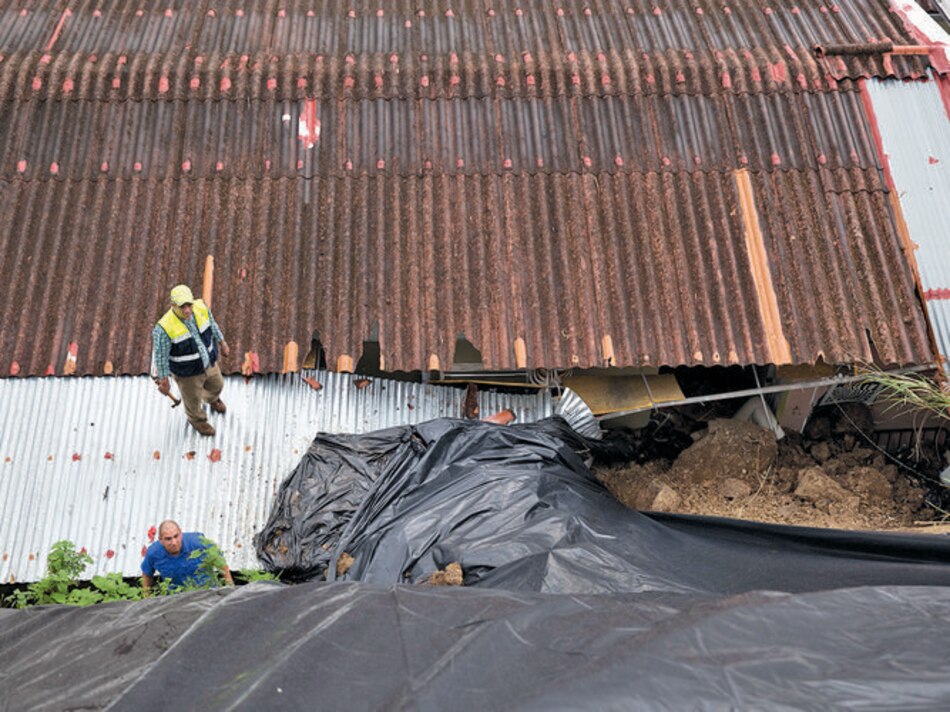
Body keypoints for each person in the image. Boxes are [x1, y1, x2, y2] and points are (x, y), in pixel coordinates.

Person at [152, 284, 230, 436]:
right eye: (182, 307)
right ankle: (197, 421)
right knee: (192, 401)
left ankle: (211, 399)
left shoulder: (201, 307)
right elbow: (160, 356)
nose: (187, 310)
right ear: (173, 305)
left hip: (208, 362)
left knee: (217, 384)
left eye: (189, 305)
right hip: (187, 373)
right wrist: (164, 380)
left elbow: (213, 326)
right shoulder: (163, 328)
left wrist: (222, 342)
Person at [141, 520, 234, 593]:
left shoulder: (198, 543)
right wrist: (147, 599)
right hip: (177, 598)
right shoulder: (154, 553)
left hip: (208, 593)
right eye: (168, 539)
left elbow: (221, 563)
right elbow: (147, 574)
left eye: (176, 536)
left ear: (181, 533)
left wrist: (230, 588)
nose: (174, 542)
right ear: (161, 540)